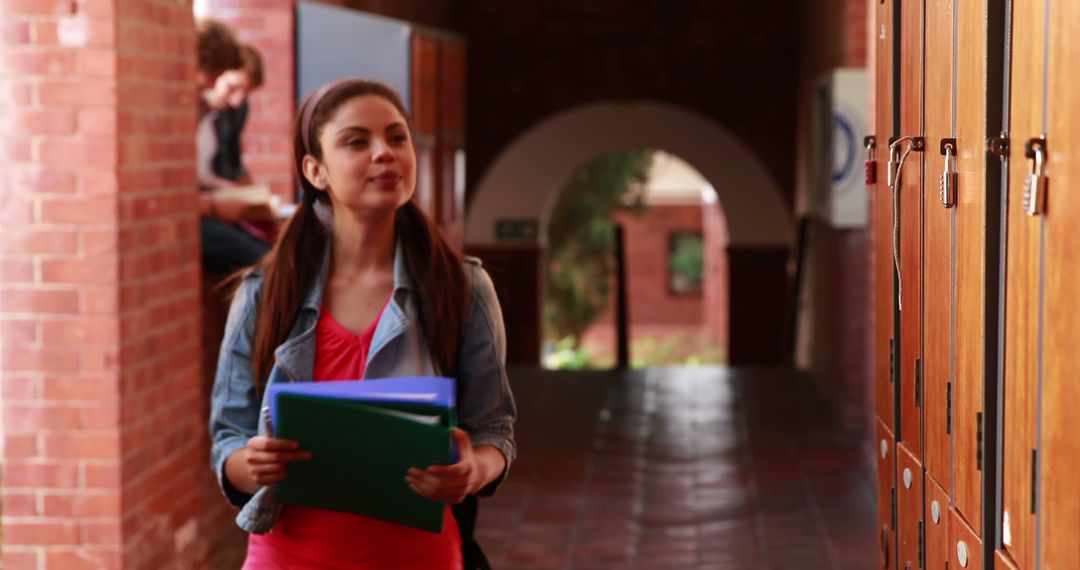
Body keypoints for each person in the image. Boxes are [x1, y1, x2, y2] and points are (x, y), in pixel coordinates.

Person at [209, 78, 517, 570]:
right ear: (315, 170)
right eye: (357, 141)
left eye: (398, 137)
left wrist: (472, 469)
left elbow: (494, 429)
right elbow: (229, 437)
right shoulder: (262, 293)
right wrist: (252, 464)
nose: (385, 153)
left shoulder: (463, 287)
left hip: (421, 558)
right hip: (287, 559)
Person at [194, 24, 271, 274]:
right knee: (265, 263)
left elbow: (231, 169)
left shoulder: (214, 114)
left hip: (210, 206)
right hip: (199, 216)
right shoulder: (192, 109)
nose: (237, 101)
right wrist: (216, 207)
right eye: (230, 87)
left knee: (271, 254)